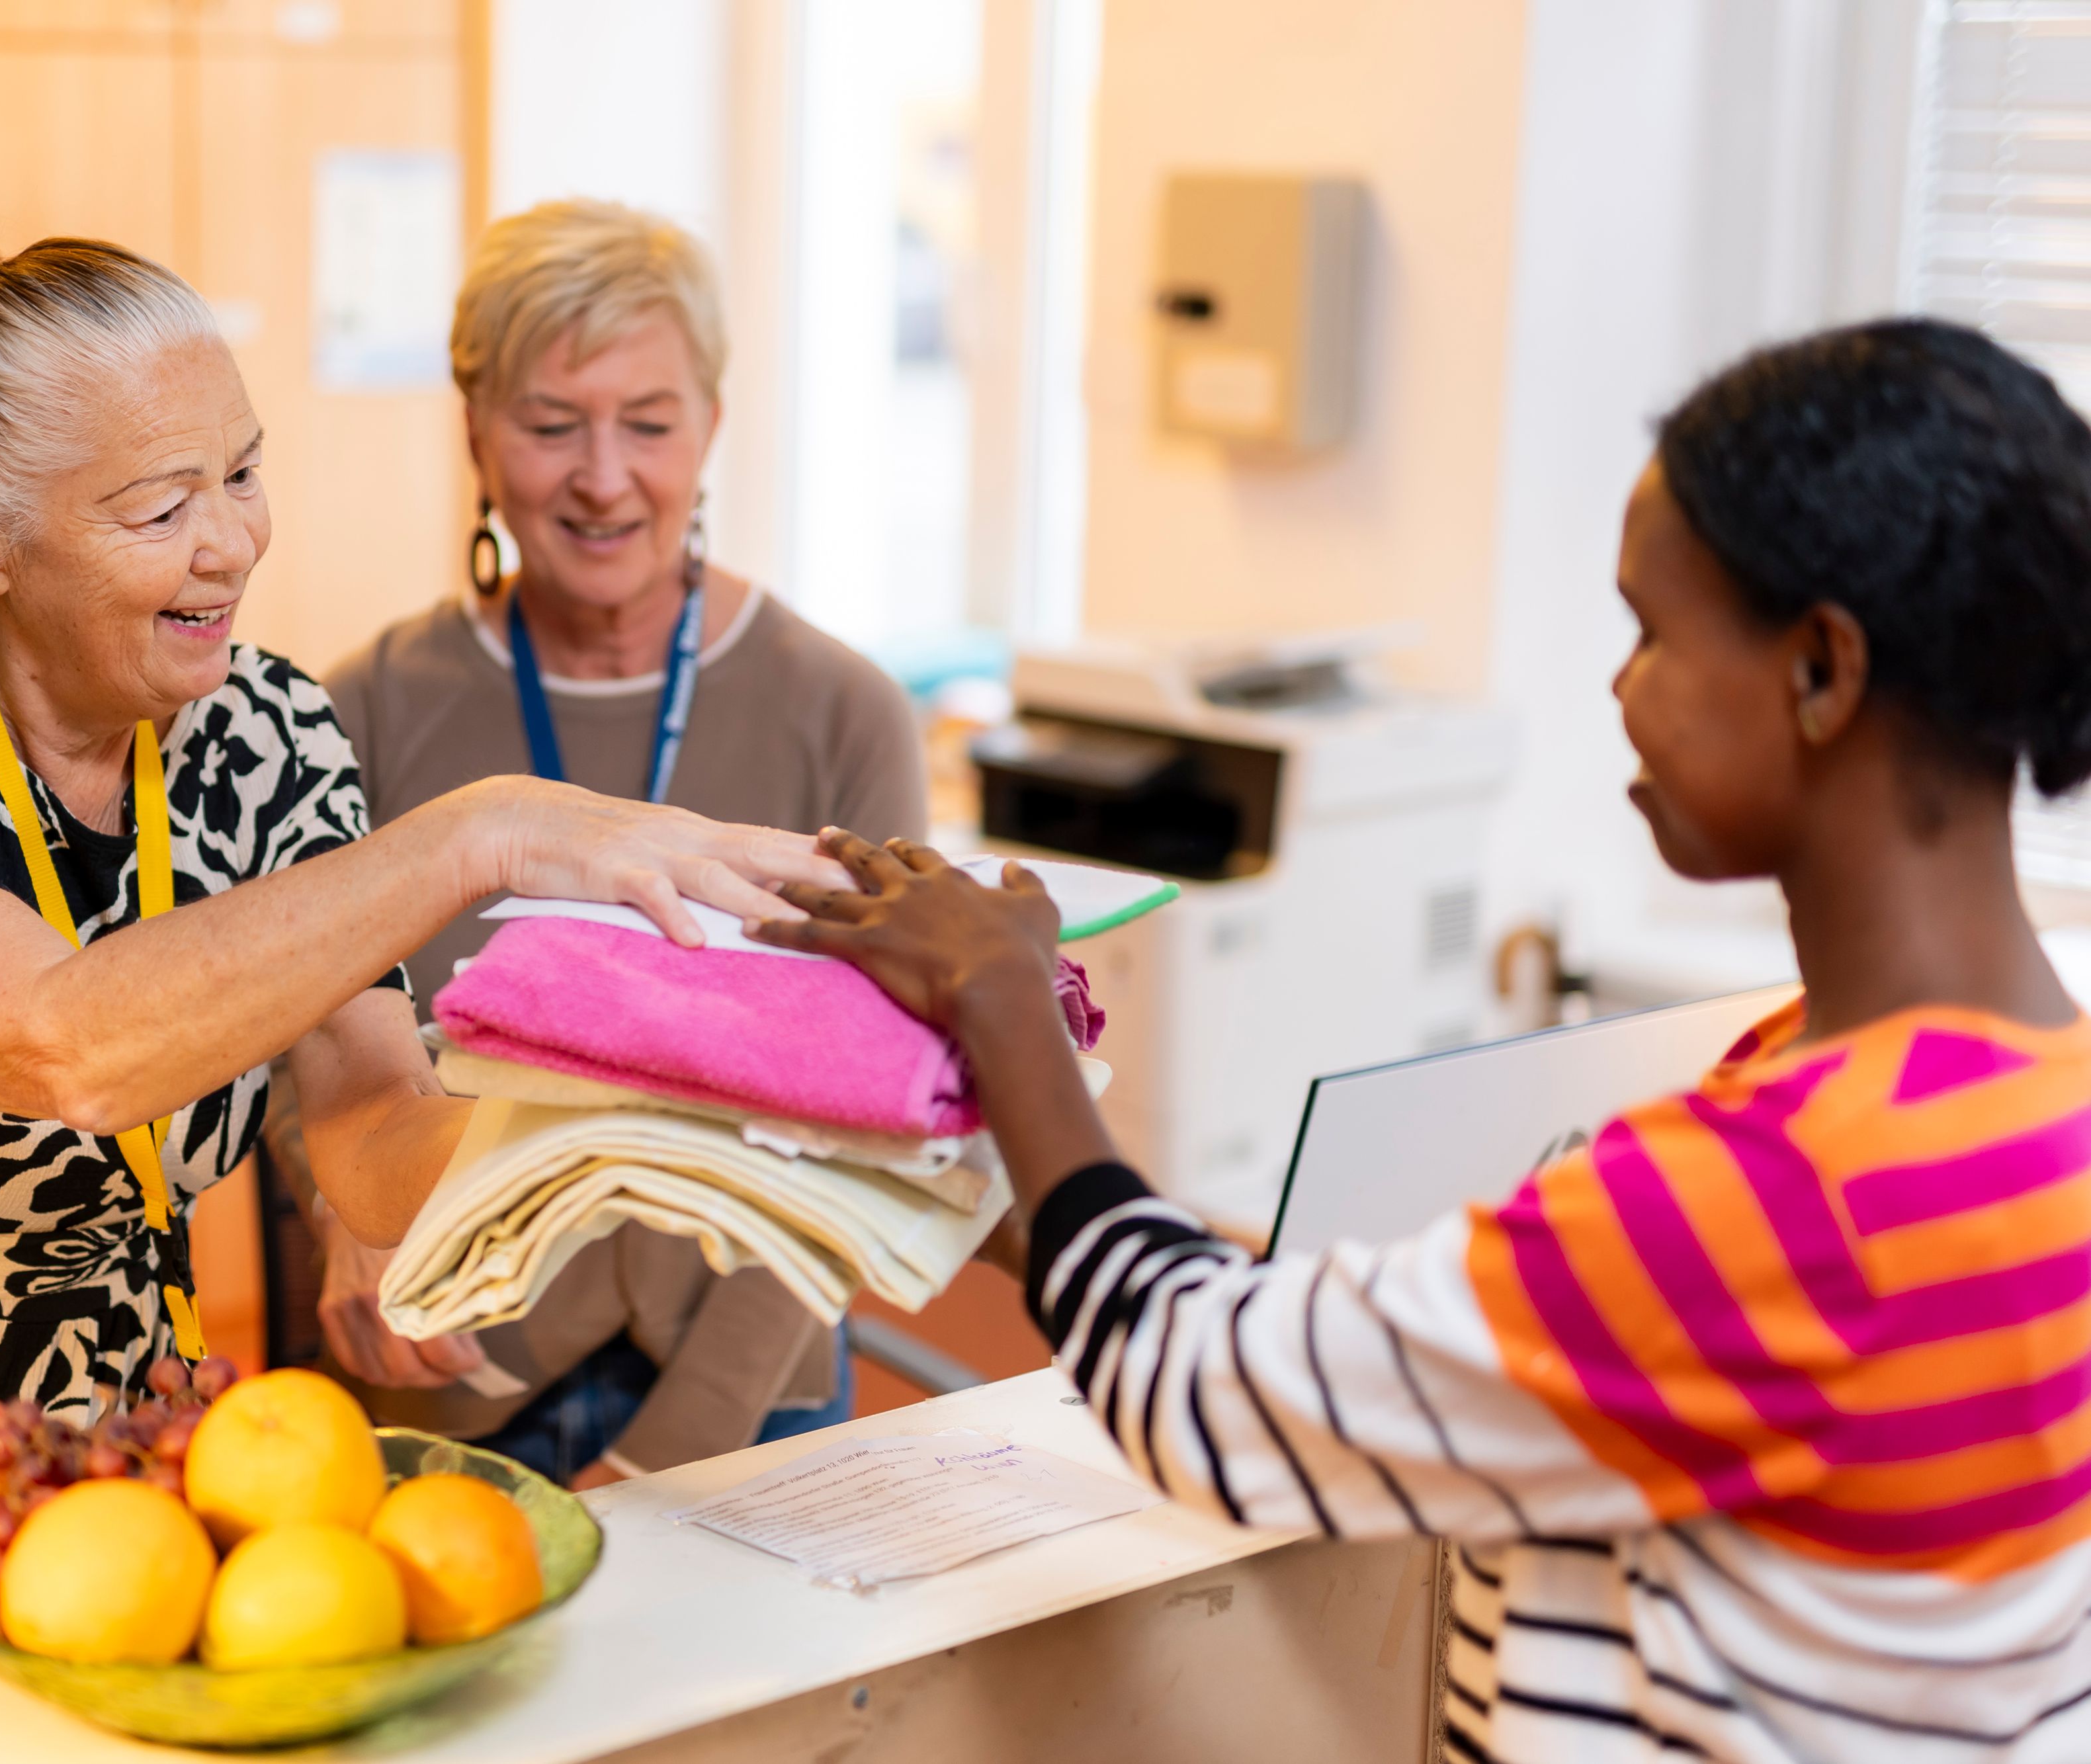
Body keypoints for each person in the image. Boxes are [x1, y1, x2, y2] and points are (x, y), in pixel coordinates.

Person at [0, 198, 844, 1665]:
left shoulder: (268, 732)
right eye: (160, 509)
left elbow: (373, 1138)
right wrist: (478, 833)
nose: (233, 545)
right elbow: (57, 1042)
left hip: (105, 1472)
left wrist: (653, 1090)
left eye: (245, 474)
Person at [756, 321, 2091, 1762]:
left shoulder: (1776, 1193)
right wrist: (956, 1174)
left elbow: (1204, 1395)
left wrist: (1007, 998)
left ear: (1821, 668)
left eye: (1651, 631)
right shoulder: (2027, 1105)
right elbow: (1410, 1353)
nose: (1619, 689)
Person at [265, 199, 925, 1491]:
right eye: (552, 423)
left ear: (712, 426)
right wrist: (347, 1207)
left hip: (750, 1392)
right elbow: (302, 1035)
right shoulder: (358, 710)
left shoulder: (844, 714)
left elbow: (865, 1122)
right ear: (474, 432)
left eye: (650, 423)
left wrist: (673, 1454)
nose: (605, 476)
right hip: (444, 1365)